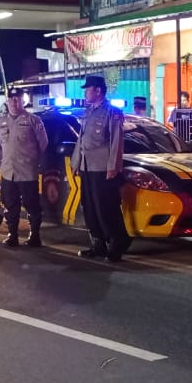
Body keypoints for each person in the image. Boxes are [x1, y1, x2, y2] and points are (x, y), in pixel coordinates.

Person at [70, 75, 129, 262]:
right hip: (87, 167)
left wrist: (113, 166)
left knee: (106, 208)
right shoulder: (88, 112)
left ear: (98, 90)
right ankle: (98, 244)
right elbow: (81, 140)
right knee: (90, 207)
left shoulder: (112, 112)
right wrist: (76, 163)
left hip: (103, 168)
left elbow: (116, 142)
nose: (85, 93)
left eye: (88, 89)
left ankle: (117, 244)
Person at [0, 87, 49, 247]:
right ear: (7, 101)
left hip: (27, 172)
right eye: (11, 99)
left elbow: (44, 144)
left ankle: (34, 236)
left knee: (32, 205)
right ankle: (12, 235)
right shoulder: (2, 122)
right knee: (10, 205)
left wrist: (35, 161)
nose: (14, 102)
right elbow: (2, 144)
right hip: (8, 172)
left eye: (17, 99)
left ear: (22, 101)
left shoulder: (33, 120)